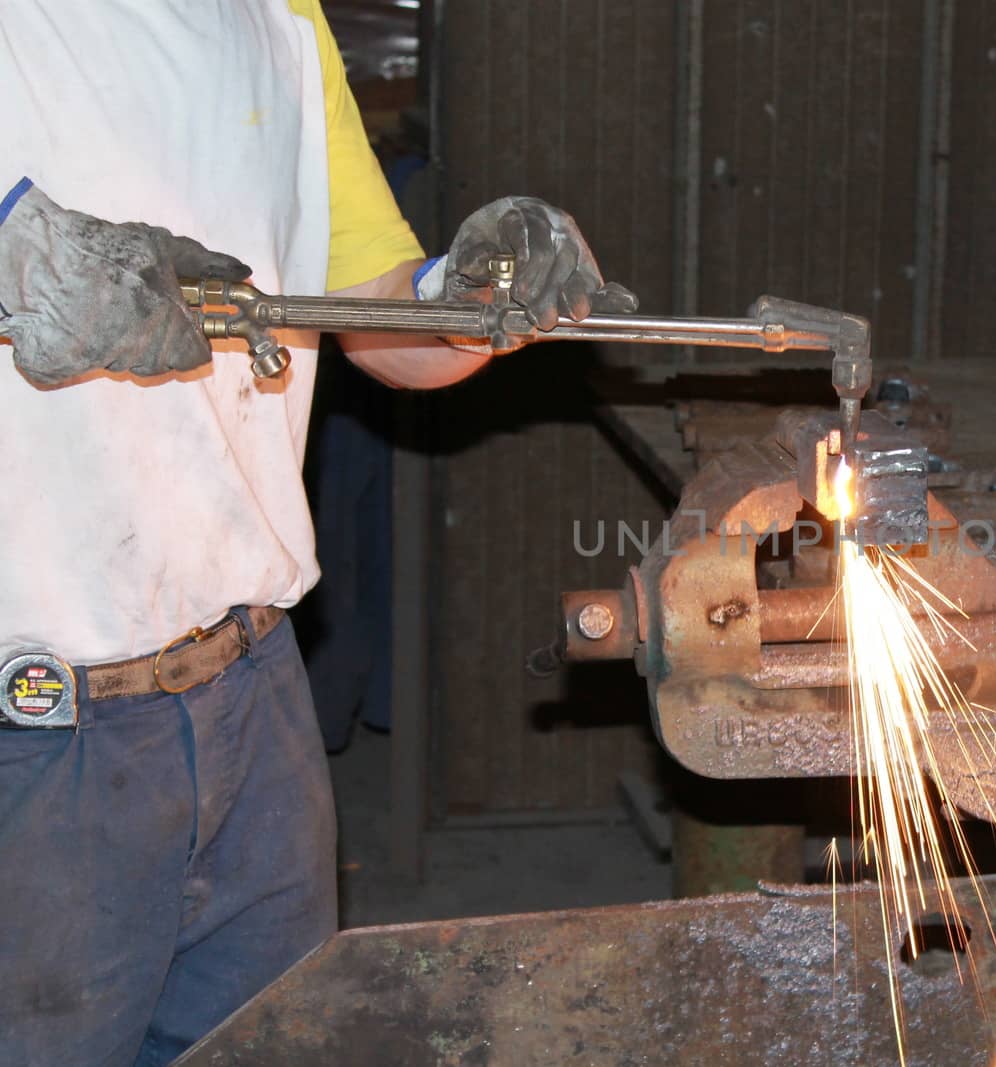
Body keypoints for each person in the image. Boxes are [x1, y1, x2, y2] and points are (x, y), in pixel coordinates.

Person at [0, 3, 634, 1063]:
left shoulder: (277, 19)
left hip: (252, 696)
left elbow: (379, 316)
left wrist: (471, 296)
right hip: (34, 735)